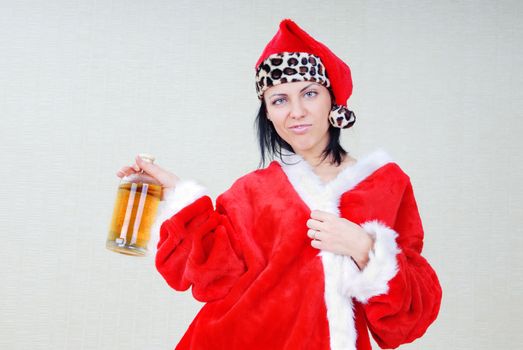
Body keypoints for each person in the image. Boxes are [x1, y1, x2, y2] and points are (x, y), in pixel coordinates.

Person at [117, 19, 442, 350]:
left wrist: (364, 248)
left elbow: (407, 321)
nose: (296, 112)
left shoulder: (385, 185)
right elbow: (212, 277)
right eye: (279, 100)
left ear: (333, 100)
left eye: (310, 94)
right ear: (268, 114)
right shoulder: (251, 191)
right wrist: (178, 193)